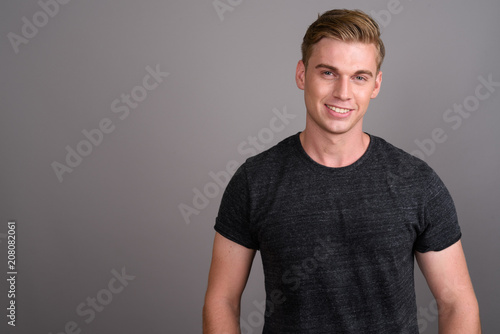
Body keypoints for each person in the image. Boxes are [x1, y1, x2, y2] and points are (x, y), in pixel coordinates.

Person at [203, 9, 480, 333]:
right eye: (328, 73)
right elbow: (221, 300)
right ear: (302, 74)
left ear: (375, 84)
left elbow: (457, 302)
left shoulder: (416, 183)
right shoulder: (255, 181)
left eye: (359, 76)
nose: (343, 92)